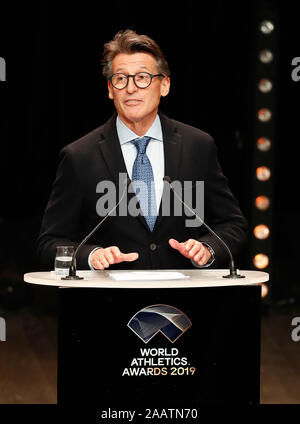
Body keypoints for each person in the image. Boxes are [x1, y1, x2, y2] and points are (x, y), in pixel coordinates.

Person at [37, 29, 247, 271]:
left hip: (183, 299)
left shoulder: (197, 146)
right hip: (108, 301)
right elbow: (49, 242)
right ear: (110, 89)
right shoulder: (79, 156)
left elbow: (233, 225)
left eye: (142, 77)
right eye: (120, 79)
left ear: (164, 85)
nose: (131, 88)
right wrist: (92, 256)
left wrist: (208, 248)